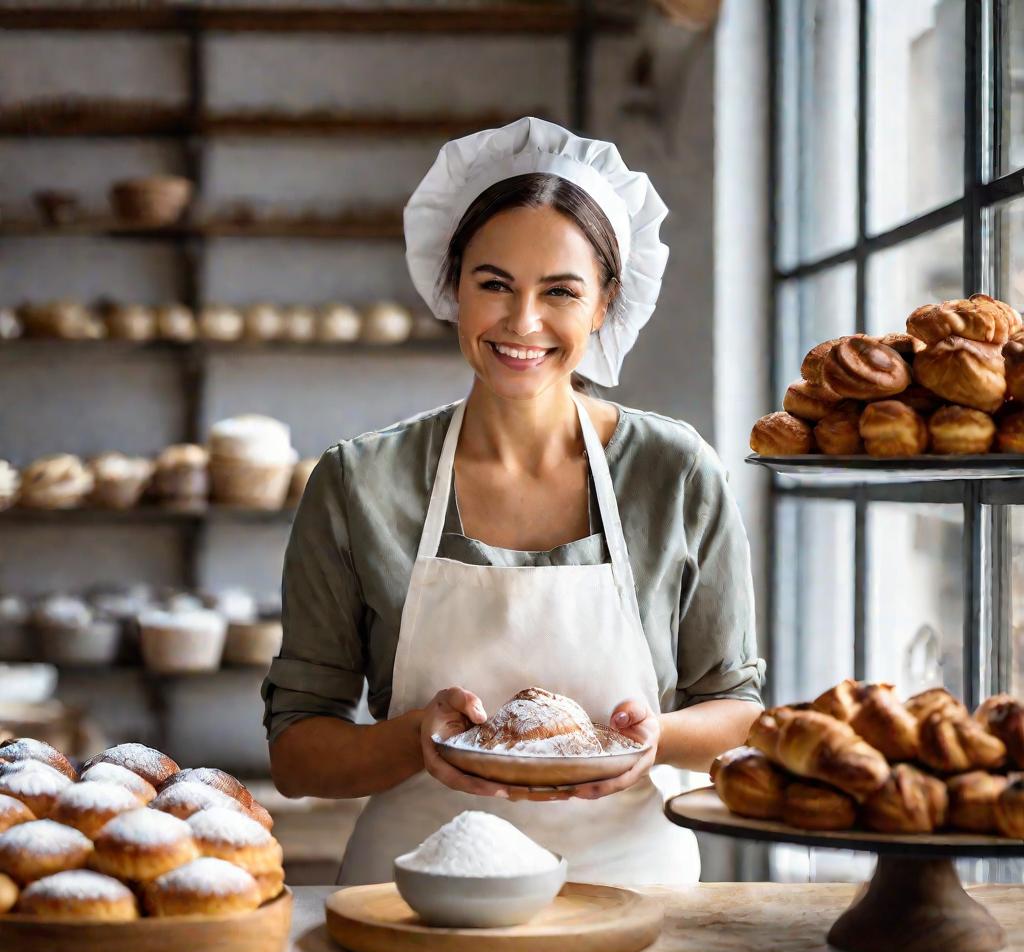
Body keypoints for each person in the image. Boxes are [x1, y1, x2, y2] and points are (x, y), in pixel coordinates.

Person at [262, 117, 765, 886]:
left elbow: (740, 715)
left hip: (633, 882)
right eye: (493, 284)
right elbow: (297, 755)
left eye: (560, 291)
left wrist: (653, 738)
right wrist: (413, 743)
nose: (522, 323)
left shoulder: (676, 472)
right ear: (452, 286)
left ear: (604, 305)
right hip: (412, 884)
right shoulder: (359, 482)